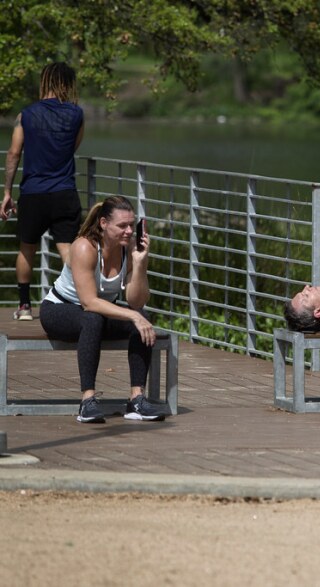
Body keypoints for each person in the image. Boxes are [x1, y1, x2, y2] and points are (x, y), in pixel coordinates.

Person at [39, 196, 166, 424]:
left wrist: (139, 266)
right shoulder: (84, 247)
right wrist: (132, 314)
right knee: (94, 319)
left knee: (140, 319)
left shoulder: (130, 249)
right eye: (122, 226)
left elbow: (136, 301)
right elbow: (89, 302)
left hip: (97, 311)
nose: (129, 231)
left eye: (131, 224)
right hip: (59, 310)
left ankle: (136, 400)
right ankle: (87, 401)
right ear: (104, 223)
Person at [2, 62, 85, 321]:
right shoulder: (76, 114)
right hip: (64, 192)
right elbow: (73, 147)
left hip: (33, 193)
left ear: (45, 81)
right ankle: (82, 301)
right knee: (68, 251)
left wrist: (6, 192)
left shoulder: (26, 115)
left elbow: (14, 154)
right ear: (68, 83)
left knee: (27, 249)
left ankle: (25, 307)